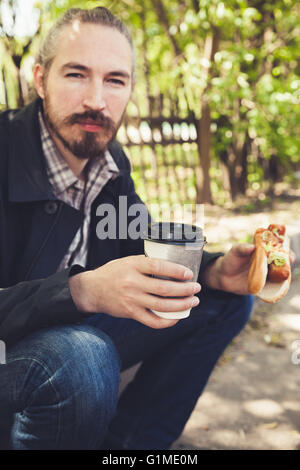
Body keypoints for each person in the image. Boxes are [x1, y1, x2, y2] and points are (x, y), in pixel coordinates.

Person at [0, 7, 255, 450]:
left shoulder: (110, 162)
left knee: (224, 300)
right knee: (80, 358)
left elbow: (140, 242)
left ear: (130, 89)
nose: (97, 100)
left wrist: (213, 271)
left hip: (67, 330)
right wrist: (81, 290)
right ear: (40, 80)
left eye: (115, 80)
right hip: (12, 350)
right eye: (77, 74)